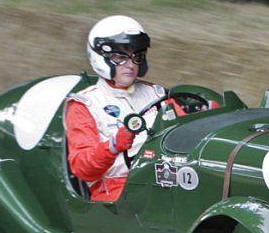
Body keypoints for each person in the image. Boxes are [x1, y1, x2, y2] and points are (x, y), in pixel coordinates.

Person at [65, 15, 185, 202]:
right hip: (118, 194)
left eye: (136, 57)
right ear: (101, 57)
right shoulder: (85, 104)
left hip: (169, 182)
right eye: (120, 57)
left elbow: (186, 134)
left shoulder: (158, 94)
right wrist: (113, 146)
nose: (130, 64)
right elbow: (82, 168)